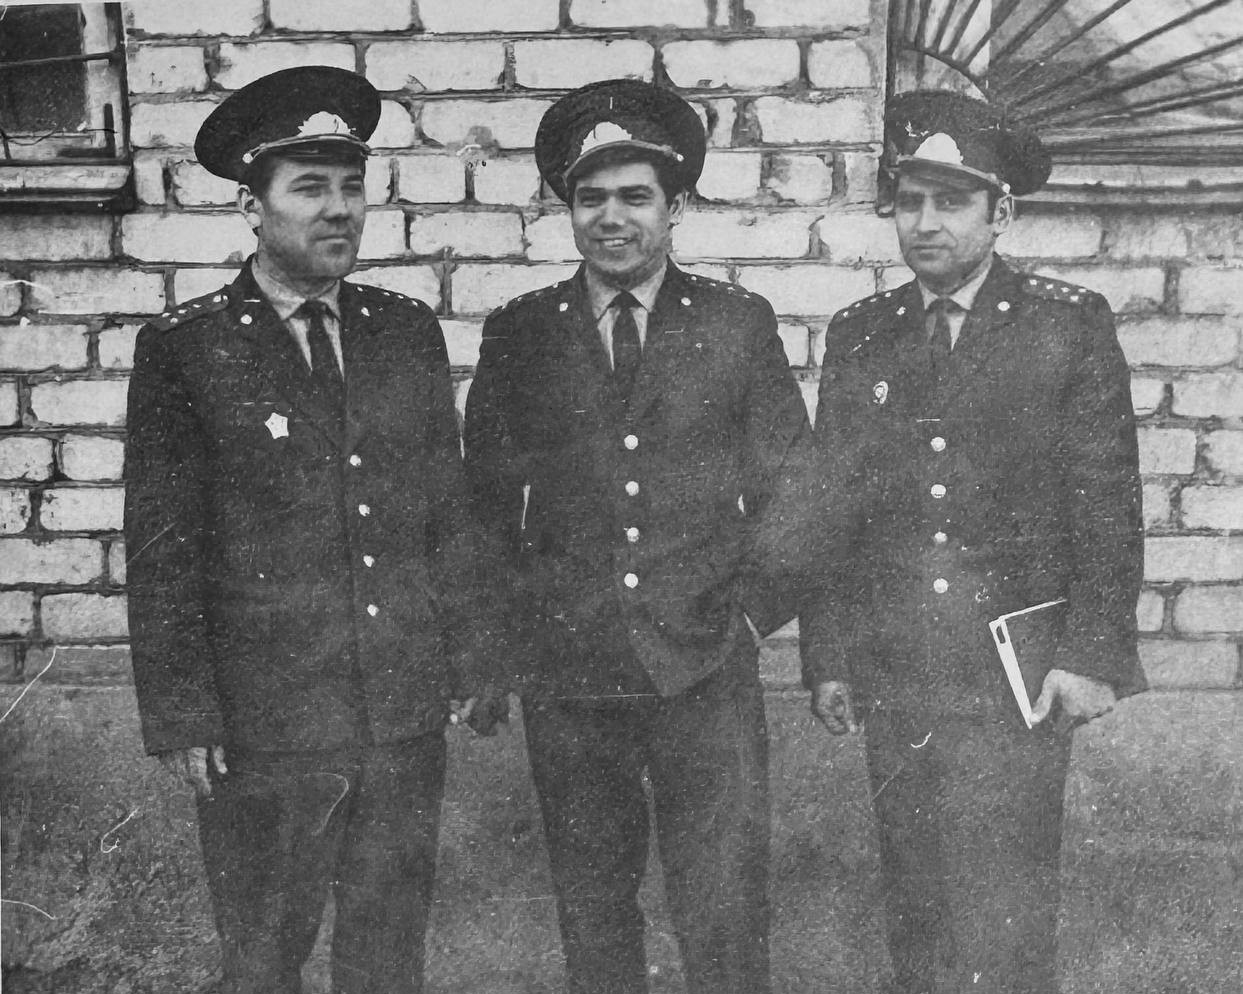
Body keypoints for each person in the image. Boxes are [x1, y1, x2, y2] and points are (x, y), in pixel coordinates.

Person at [123, 66, 505, 994]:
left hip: (397, 712)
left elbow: (445, 509)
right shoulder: (186, 347)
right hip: (266, 725)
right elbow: (163, 547)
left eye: (350, 186)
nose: (338, 210)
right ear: (250, 207)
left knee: (387, 955)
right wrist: (183, 713)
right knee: (263, 958)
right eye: (308, 187)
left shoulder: (403, 331)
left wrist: (474, 655)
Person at [463, 79, 809, 994]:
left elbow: (795, 489)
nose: (611, 219)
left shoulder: (736, 324)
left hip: (705, 667)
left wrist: (747, 616)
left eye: (634, 197)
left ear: (675, 206)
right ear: (566, 209)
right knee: (592, 907)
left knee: (724, 905)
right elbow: (485, 509)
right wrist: (494, 648)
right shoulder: (520, 333)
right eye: (590, 198)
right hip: (569, 672)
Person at [797, 90, 1145, 994]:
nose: (925, 223)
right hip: (898, 667)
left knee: (1009, 919)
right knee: (915, 912)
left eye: (950, 203)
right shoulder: (861, 335)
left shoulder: (1065, 323)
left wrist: (1088, 656)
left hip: (1015, 675)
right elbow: (833, 515)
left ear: (1001, 212)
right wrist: (828, 657)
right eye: (909, 201)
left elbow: (1106, 504)